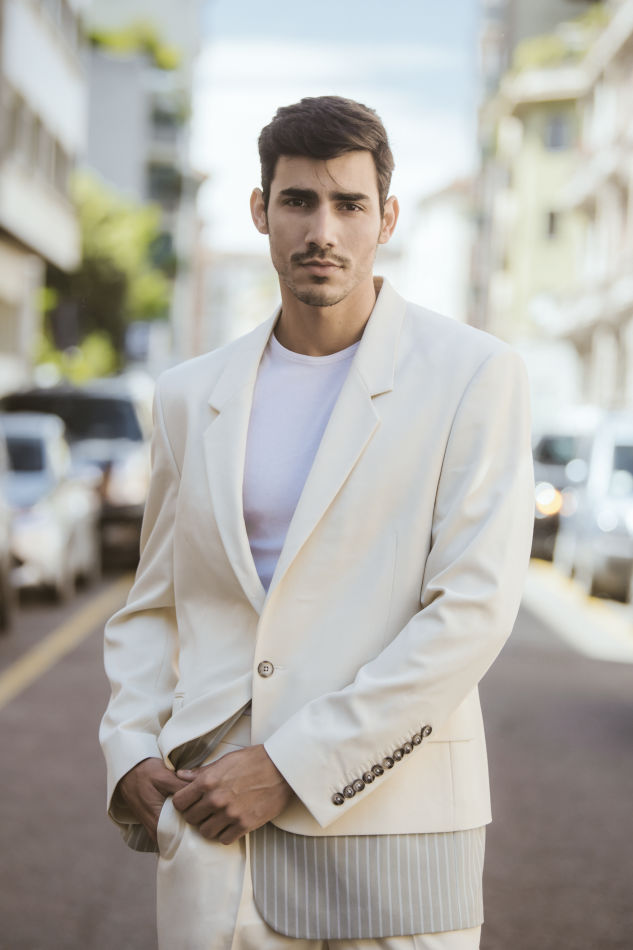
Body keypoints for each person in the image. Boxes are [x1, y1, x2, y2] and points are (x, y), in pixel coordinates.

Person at [100, 95, 534, 950]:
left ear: (387, 218)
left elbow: (471, 611)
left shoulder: (474, 375)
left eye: (349, 204)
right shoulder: (189, 395)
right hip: (215, 825)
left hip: (395, 824)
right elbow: (155, 602)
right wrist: (131, 750)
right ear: (260, 211)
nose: (322, 231)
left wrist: (291, 766)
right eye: (297, 201)